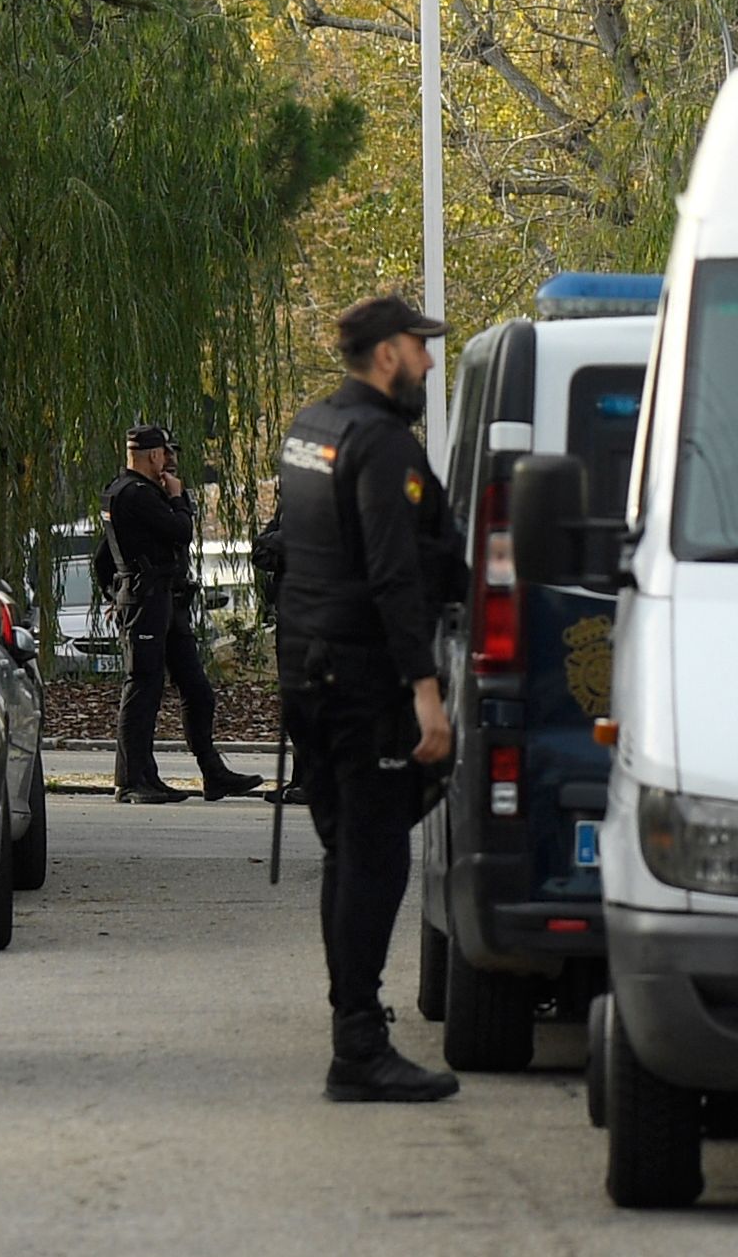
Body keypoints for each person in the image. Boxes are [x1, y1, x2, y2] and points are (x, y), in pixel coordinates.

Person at [270, 292, 462, 1104]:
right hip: (360, 678)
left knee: (347, 851)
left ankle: (354, 1031)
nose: (426, 360)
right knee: (375, 858)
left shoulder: (310, 430)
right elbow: (392, 573)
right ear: (387, 354)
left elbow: (288, 550)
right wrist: (426, 693)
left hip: (306, 671)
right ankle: (357, 1046)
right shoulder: (380, 444)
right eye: (420, 347)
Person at [105, 424, 267, 807]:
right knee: (143, 687)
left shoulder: (140, 492)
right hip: (146, 602)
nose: (170, 460)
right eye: (166, 453)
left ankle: (212, 772)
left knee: (196, 689)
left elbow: (105, 558)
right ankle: (132, 780)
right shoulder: (135, 494)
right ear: (153, 456)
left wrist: (115, 591)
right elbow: (181, 532)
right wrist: (179, 499)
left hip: (167, 601)